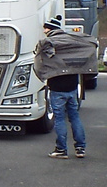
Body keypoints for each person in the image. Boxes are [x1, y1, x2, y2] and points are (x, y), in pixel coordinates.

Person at [36, 16, 86, 159]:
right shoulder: (72, 40)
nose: (44, 30)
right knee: (75, 117)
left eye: (46, 28)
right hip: (72, 85)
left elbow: (41, 60)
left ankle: (61, 150)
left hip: (57, 86)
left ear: (50, 29)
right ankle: (80, 148)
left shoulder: (49, 42)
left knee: (59, 119)